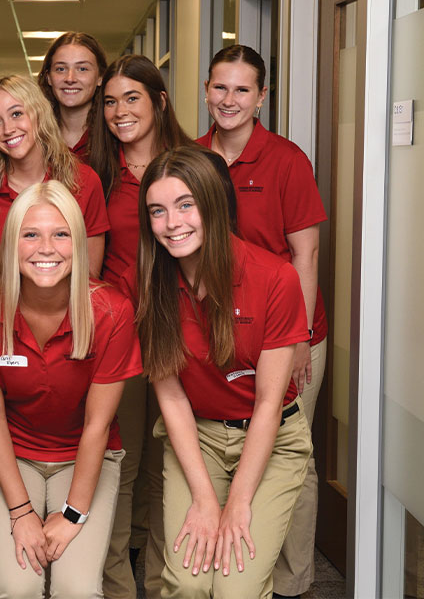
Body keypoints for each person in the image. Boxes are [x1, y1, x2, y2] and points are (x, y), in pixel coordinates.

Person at [138, 146, 312, 599]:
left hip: (272, 440)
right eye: (158, 210)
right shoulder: (152, 285)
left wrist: (236, 504)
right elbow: (172, 398)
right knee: (187, 581)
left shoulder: (275, 278)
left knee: (237, 586)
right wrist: (203, 498)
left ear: (212, 204)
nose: (172, 223)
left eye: (185, 205)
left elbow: (269, 404)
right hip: (199, 438)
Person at [0, 181, 142, 598]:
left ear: (78, 243)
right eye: (30, 234)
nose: (46, 248)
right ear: (11, 244)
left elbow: (98, 424)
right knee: (17, 585)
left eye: (60, 234)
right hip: (10, 451)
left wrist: (73, 514)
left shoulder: (112, 312)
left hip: (83, 455)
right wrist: (21, 512)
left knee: (77, 589)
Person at [196, 45, 327, 599]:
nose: (229, 100)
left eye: (242, 90)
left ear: (261, 97)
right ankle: (232, 571)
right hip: (216, 333)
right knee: (220, 452)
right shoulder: (192, 156)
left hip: (287, 331)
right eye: (220, 87)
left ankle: (292, 582)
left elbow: (307, 255)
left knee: (288, 456)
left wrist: (296, 341)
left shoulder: (286, 159)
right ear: (206, 90)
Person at [87, 53, 192, 599]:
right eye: (110, 101)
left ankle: (162, 583)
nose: (119, 111)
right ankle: (115, 585)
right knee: (118, 466)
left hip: (181, 337)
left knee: (172, 465)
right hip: (118, 340)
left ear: (160, 101)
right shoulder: (95, 175)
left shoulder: (191, 168)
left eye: (132, 98)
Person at [0, 73, 109, 313]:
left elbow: (87, 278)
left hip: (63, 323)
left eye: (16, 114)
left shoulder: (84, 181)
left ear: (38, 114)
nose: (7, 129)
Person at [37, 32, 108, 158]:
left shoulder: (114, 134)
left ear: (100, 77)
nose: (70, 79)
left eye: (82, 69)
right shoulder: (36, 135)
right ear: (48, 77)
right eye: (61, 69)